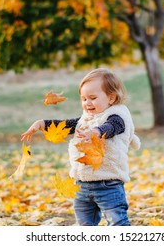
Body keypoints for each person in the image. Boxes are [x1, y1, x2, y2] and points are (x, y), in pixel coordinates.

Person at [21, 68, 141, 226]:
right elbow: (65, 125)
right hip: (82, 185)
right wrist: (42, 124)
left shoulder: (117, 116)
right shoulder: (85, 120)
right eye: (84, 99)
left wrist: (97, 131)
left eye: (92, 98)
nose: (87, 103)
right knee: (84, 224)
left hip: (108, 184)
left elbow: (112, 127)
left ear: (111, 98)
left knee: (117, 222)